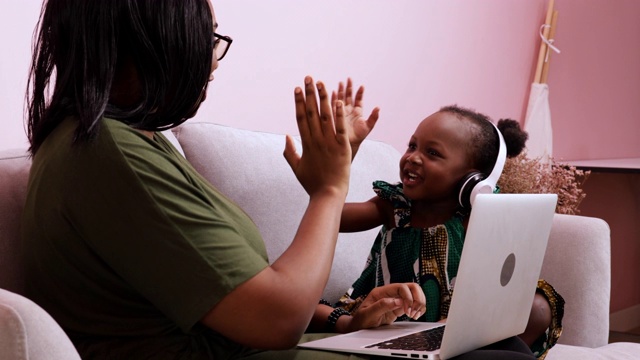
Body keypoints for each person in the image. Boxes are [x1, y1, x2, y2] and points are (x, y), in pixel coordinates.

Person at [22, 0, 426, 359]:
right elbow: (277, 319)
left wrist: (345, 320)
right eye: (206, 37)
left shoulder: (115, 142)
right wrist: (328, 189)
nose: (214, 61)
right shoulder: (108, 155)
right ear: (147, 41)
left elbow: (239, 293)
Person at [321, 100, 564, 359]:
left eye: (432, 153)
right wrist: (338, 166)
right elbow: (332, 218)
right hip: (396, 314)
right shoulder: (395, 206)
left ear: (473, 180)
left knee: (539, 306)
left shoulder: (478, 214)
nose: (413, 157)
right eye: (412, 146)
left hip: (458, 324)